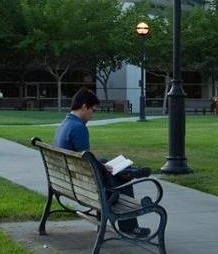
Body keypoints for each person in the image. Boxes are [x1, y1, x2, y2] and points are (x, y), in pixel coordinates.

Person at [54, 88, 151, 238]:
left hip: (73, 183)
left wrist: (102, 166)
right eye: (92, 110)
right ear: (84, 106)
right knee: (123, 180)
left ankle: (129, 170)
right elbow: (88, 165)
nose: (92, 115)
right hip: (89, 189)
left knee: (105, 163)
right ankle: (130, 226)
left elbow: (83, 161)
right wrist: (101, 168)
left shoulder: (65, 124)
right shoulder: (79, 128)